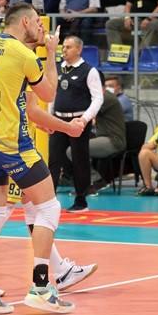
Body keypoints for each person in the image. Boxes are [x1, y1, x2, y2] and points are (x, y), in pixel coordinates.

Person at [0, 20, 97, 296]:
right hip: (12, 146)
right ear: (24, 23)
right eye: (37, 22)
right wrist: (66, 126)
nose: (42, 28)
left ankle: (58, 270)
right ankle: (26, 283)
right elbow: (43, 99)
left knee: (26, 208)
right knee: (29, 209)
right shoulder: (23, 57)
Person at [49, 35, 103, 212]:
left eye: (68, 47)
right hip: (58, 119)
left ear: (79, 49)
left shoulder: (89, 71)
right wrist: (49, 117)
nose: (64, 50)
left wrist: (85, 119)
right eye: (63, 47)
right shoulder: (58, 68)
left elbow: (98, 98)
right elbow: (52, 94)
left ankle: (81, 200)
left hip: (78, 121)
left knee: (80, 160)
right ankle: (49, 200)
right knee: (53, 160)